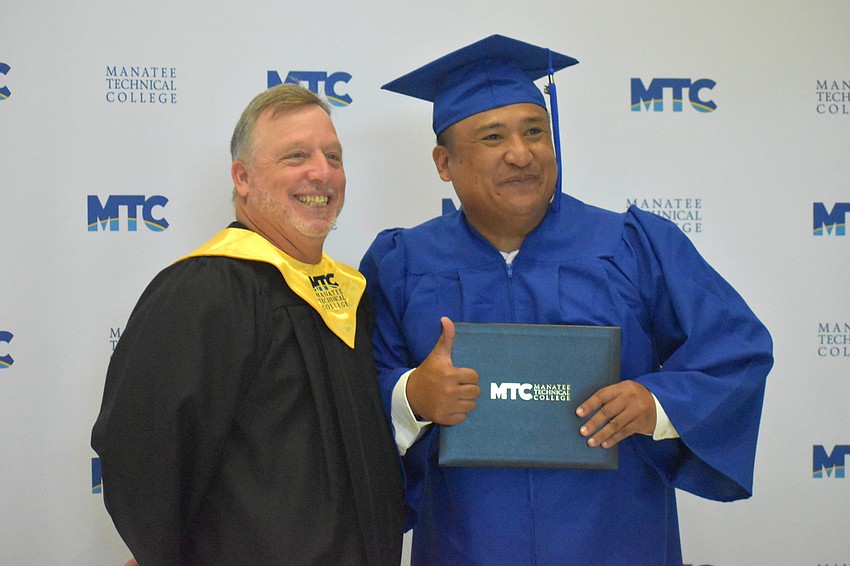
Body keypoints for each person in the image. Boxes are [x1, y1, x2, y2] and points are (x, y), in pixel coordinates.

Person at [359, 35, 773, 565]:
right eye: (492, 137)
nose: (521, 152)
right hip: (466, 542)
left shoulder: (631, 245)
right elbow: (347, 393)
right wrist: (411, 395)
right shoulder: (402, 264)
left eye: (535, 131)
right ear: (445, 163)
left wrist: (658, 404)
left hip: (616, 537)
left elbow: (736, 351)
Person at [92, 84, 405, 565]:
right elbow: (145, 457)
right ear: (242, 177)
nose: (321, 172)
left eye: (333, 157)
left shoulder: (348, 294)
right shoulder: (204, 291)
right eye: (295, 156)